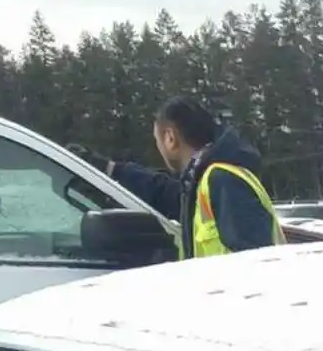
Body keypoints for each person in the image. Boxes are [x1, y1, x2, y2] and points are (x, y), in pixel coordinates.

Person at [96, 98, 283, 258]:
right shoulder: (205, 181)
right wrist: (112, 170)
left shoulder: (222, 180)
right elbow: (167, 193)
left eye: (157, 140)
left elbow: (255, 263)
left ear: (170, 138)